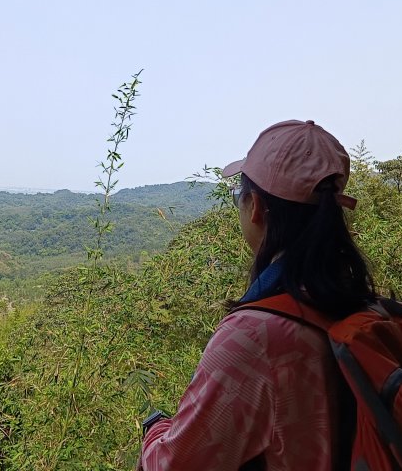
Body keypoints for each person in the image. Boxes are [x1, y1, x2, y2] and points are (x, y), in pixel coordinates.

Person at [139, 119, 377, 471]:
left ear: (256, 208)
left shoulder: (255, 338)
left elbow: (175, 464)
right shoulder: (375, 311)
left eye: (239, 196)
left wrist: (155, 430)